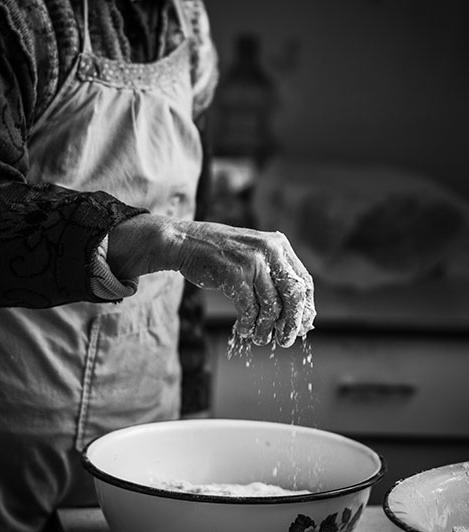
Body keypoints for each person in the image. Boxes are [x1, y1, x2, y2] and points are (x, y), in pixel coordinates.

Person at [0, 1, 316, 530]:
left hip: (147, 437)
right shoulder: (26, 18)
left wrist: (192, 411)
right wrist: (163, 237)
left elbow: (193, 232)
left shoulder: (187, 23)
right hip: (14, 434)